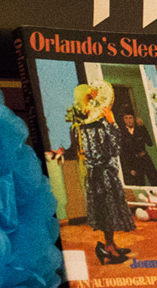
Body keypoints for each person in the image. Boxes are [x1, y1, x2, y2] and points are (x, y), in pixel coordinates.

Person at [66, 82, 135, 265]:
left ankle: (110, 244)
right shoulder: (91, 124)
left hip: (98, 173)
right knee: (107, 210)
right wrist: (112, 123)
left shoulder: (81, 124)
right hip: (102, 174)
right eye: (91, 96)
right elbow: (114, 148)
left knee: (107, 210)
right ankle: (108, 248)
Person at [119, 107, 157, 186]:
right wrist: (129, 168)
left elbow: (150, 143)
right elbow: (123, 153)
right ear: (123, 119)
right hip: (134, 162)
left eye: (130, 118)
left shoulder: (140, 129)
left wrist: (143, 127)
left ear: (134, 118)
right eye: (126, 118)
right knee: (140, 184)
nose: (129, 120)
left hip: (145, 159)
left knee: (155, 181)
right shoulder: (122, 133)